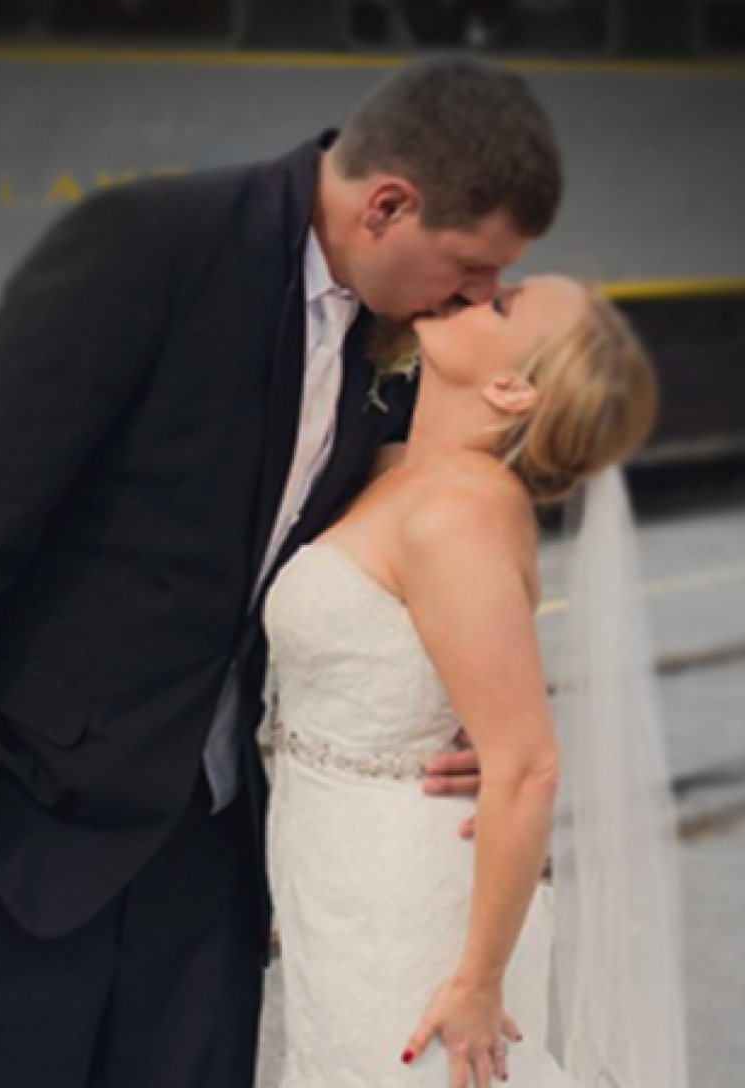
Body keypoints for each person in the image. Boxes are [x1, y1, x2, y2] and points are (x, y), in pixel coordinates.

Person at [0, 54, 563, 1088]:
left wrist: (474, 722)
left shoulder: (402, 333)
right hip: (14, 826)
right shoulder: (151, 246)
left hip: (212, 857)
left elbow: (425, 557)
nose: (482, 295)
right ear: (388, 206)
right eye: (470, 264)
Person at [265, 276, 690, 1086]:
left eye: (501, 304)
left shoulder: (462, 512)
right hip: (337, 873)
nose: (477, 287)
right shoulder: (391, 468)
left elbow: (527, 766)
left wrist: (479, 983)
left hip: (413, 901)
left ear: (510, 385)